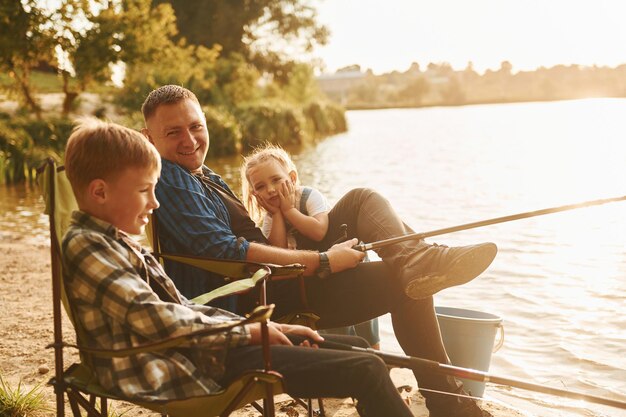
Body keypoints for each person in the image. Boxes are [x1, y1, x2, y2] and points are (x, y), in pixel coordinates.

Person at [141, 85, 498, 417]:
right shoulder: (169, 176)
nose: (189, 140)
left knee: (363, 204)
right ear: (149, 138)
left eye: (195, 126)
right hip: (267, 292)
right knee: (402, 280)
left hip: (281, 272)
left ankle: (418, 261)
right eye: (173, 132)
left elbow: (247, 239)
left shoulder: (205, 176)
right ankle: (448, 398)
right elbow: (226, 251)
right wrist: (324, 261)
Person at [60, 118, 415, 416]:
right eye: (144, 191)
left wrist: (267, 326)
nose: (154, 203)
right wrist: (250, 333)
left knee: (360, 352)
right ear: (100, 192)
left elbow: (181, 309)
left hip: (198, 350)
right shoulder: (87, 246)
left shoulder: (115, 242)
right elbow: (156, 320)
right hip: (176, 366)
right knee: (366, 369)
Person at [241, 143, 381, 349]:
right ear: (255, 194)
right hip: (318, 273)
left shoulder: (309, 196)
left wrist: (288, 210)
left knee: (366, 319)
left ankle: (379, 355)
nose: (270, 190)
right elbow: (277, 250)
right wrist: (277, 214)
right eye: (260, 187)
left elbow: (319, 230)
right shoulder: (271, 217)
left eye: (276, 180)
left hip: (343, 258)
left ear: (292, 178)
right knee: (339, 325)